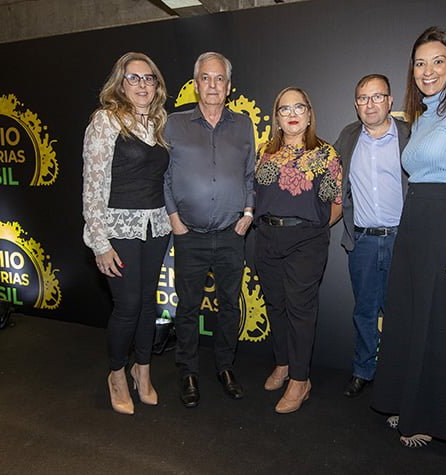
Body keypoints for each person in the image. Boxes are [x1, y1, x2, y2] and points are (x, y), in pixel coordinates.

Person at [371, 26, 446, 447]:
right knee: (409, 318)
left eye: (437, 61)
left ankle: (432, 417)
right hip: (415, 222)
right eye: (420, 63)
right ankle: (407, 403)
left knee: (438, 321)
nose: (428, 71)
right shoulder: (423, 117)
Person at [164, 52, 255, 408]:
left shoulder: (243, 125)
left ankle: (225, 367)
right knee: (187, 307)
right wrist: (174, 218)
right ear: (195, 84)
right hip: (190, 235)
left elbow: (249, 174)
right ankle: (188, 372)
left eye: (219, 79)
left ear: (229, 86)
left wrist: (248, 212)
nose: (213, 85)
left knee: (229, 306)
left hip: (232, 234)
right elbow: (164, 175)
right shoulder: (173, 124)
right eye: (206, 77)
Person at [82, 52, 172, 415]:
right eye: (133, 78)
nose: (142, 84)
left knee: (149, 302)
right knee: (128, 305)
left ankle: (143, 370)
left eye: (149, 78)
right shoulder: (105, 121)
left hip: (156, 226)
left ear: (157, 85)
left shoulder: (159, 123)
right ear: (120, 83)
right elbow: (93, 185)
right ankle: (117, 374)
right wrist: (99, 243)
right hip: (119, 228)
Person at [254, 87, 342, 414]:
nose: (292, 114)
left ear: (308, 115)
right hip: (266, 237)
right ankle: (283, 364)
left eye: (299, 108)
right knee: (275, 305)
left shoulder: (325, 154)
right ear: (276, 118)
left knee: (300, 310)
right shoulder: (264, 152)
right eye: (284, 109)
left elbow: (337, 204)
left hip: (306, 241)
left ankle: (300, 380)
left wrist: (311, 230)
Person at [334, 74, 410, 398]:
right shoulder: (348, 137)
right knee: (364, 311)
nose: (370, 104)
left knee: (401, 314)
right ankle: (363, 370)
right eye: (363, 98)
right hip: (362, 241)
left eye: (377, 97)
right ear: (356, 105)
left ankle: (398, 376)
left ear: (390, 101)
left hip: (402, 241)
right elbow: (329, 180)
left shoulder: (410, 135)